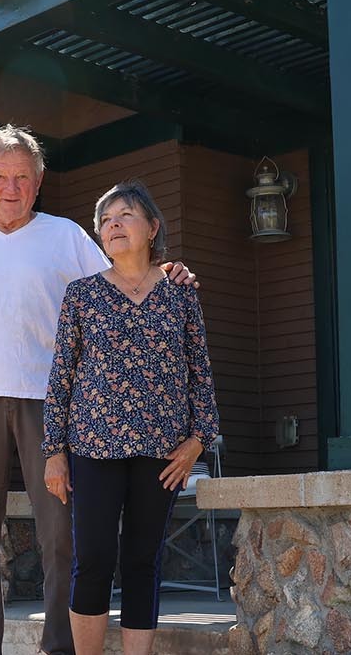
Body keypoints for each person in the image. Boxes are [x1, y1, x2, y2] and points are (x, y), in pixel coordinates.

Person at [0, 126, 194, 655]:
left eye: (22, 177)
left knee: (61, 539)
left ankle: (59, 648)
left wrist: (168, 271)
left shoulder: (66, 235)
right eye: (0, 176)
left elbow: (123, 275)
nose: (11, 187)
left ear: (39, 181)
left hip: (53, 405)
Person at [43, 179, 219, 655]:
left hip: (161, 453)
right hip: (93, 447)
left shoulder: (181, 293)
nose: (113, 224)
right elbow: (60, 377)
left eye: (125, 215)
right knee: (94, 560)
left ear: (152, 227)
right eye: (105, 219)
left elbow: (200, 370)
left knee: (143, 560)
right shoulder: (81, 295)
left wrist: (198, 440)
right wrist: (54, 453)